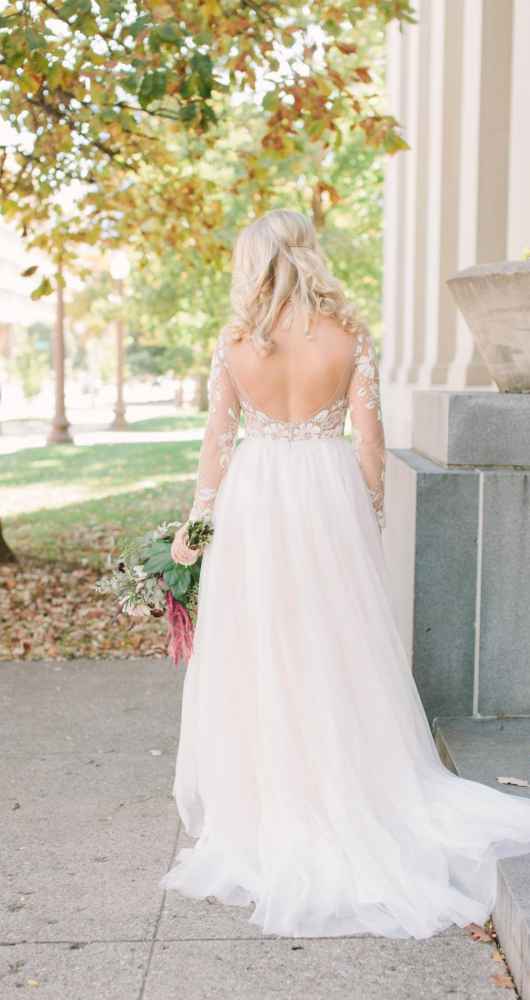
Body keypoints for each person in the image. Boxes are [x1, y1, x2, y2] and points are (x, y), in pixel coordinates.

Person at [161, 209, 530, 939]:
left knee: (263, 645)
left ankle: (271, 797)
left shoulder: (236, 343)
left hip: (257, 501)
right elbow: (371, 443)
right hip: (328, 497)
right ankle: (346, 784)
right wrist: (370, 520)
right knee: (334, 645)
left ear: (253, 264)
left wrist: (197, 526)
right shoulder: (350, 336)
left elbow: (218, 444)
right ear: (308, 255)